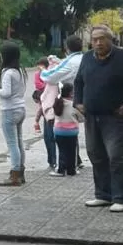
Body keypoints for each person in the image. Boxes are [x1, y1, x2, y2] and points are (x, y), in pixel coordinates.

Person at [73, 25, 123, 213]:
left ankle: (121, 197)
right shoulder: (87, 58)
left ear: (110, 39)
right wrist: (78, 102)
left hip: (115, 118)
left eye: (102, 38)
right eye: (95, 39)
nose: (98, 43)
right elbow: (78, 82)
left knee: (116, 157)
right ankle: (103, 195)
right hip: (92, 117)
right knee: (96, 156)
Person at [40, 35, 86, 169]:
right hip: (84, 100)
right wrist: (59, 61)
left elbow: (50, 77)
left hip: (70, 101)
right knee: (74, 133)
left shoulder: (71, 61)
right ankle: (75, 163)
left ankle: (62, 166)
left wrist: (44, 69)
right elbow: (66, 66)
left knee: (61, 134)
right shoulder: (84, 59)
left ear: (67, 48)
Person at [0, 42, 28, 186]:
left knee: (12, 144)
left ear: (5, 56)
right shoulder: (20, 71)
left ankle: (14, 175)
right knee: (19, 142)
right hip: (21, 109)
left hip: (9, 110)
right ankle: (20, 172)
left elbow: (6, 93)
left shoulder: (7, 72)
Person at [49, 84, 82, 177]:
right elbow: (82, 117)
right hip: (72, 132)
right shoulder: (73, 105)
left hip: (59, 131)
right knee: (72, 151)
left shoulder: (57, 103)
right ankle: (72, 170)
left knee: (61, 150)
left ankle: (60, 169)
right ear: (71, 93)